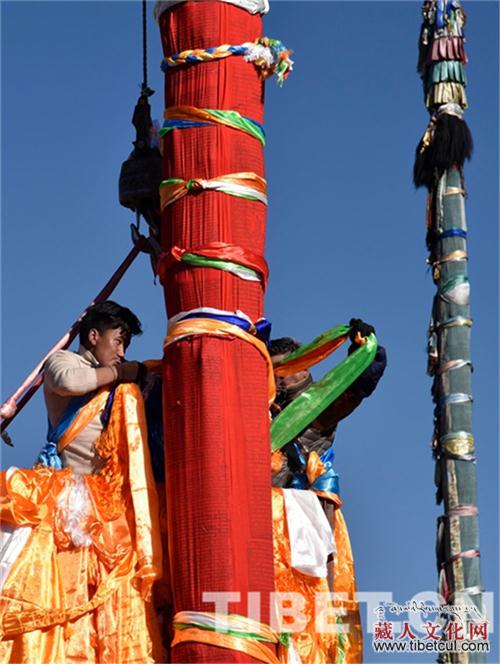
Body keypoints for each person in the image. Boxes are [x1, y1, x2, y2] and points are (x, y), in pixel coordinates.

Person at [0, 301, 163, 663]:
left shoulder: (120, 380)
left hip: (108, 501)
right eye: (117, 341)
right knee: (64, 587)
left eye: (125, 346)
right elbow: (72, 383)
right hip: (67, 499)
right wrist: (124, 373)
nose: (121, 352)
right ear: (93, 336)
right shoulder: (65, 363)